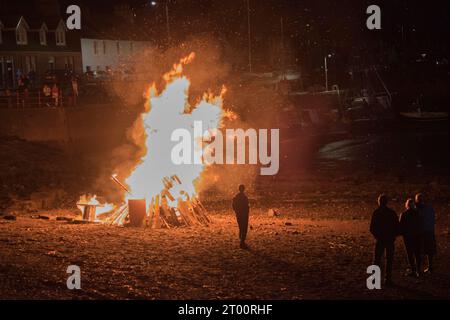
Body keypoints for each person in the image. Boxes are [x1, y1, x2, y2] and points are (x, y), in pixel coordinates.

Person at [370, 194, 399, 286]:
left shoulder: (376, 212)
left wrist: (377, 236)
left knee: (377, 259)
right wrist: (393, 236)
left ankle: (374, 280)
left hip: (380, 239)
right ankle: (388, 279)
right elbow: (397, 227)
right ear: (387, 202)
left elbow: (372, 228)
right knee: (389, 259)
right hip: (390, 239)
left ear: (379, 202)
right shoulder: (392, 213)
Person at [399, 199, 422, 277]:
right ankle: (418, 270)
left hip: (408, 237)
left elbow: (401, 226)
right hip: (417, 236)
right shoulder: (417, 213)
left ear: (407, 205)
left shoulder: (404, 214)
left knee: (410, 254)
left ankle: (413, 270)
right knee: (417, 253)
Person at [415, 193, 436, 274]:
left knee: (420, 250)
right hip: (429, 231)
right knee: (429, 250)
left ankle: (418, 269)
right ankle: (430, 267)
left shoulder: (418, 209)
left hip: (422, 232)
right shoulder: (429, 208)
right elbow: (433, 220)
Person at [232, 184, 250, 249]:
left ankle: (241, 238)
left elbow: (233, 206)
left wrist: (237, 212)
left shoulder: (236, 197)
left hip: (239, 215)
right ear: (243, 189)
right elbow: (247, 206)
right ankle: (242, 242)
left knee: (241, 227)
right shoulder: (245, 197)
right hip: (244, 215)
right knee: (244, 228)